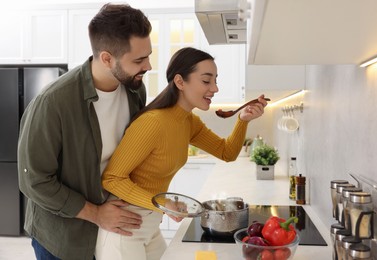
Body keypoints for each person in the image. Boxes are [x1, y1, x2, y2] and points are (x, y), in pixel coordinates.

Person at [95, 47, 269, 260]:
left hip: (149, 224)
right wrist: (163, 203)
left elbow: (227, 152)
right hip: (124, 228)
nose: (214, 88)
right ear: (179, 82)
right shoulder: (152, 123)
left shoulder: (188, 121)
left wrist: (242, 120)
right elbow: (112, 178)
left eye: (215, 80)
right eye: (206, 81)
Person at [17, 3, 153, 260]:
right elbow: (34, 181)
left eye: (147, 55)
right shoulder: (54, 102)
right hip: (62, 238)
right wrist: (97, 214)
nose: (148, 66)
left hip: (110, 231)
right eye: (138, 60)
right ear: (106, 58)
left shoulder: (135, 90)